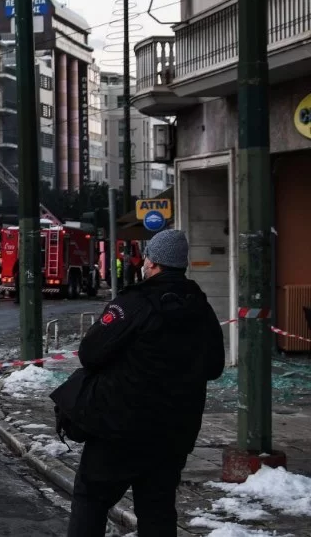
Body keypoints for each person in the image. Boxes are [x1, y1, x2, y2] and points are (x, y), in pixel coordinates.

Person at [50, 229, 225, 537]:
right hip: (174, 432)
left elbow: (90, 353)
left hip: (120, 428)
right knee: (157, 510)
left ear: (153, 262)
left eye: (147, 258)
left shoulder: (134, 303)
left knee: (91, 498)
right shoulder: (201, 308)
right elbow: (214, 367)